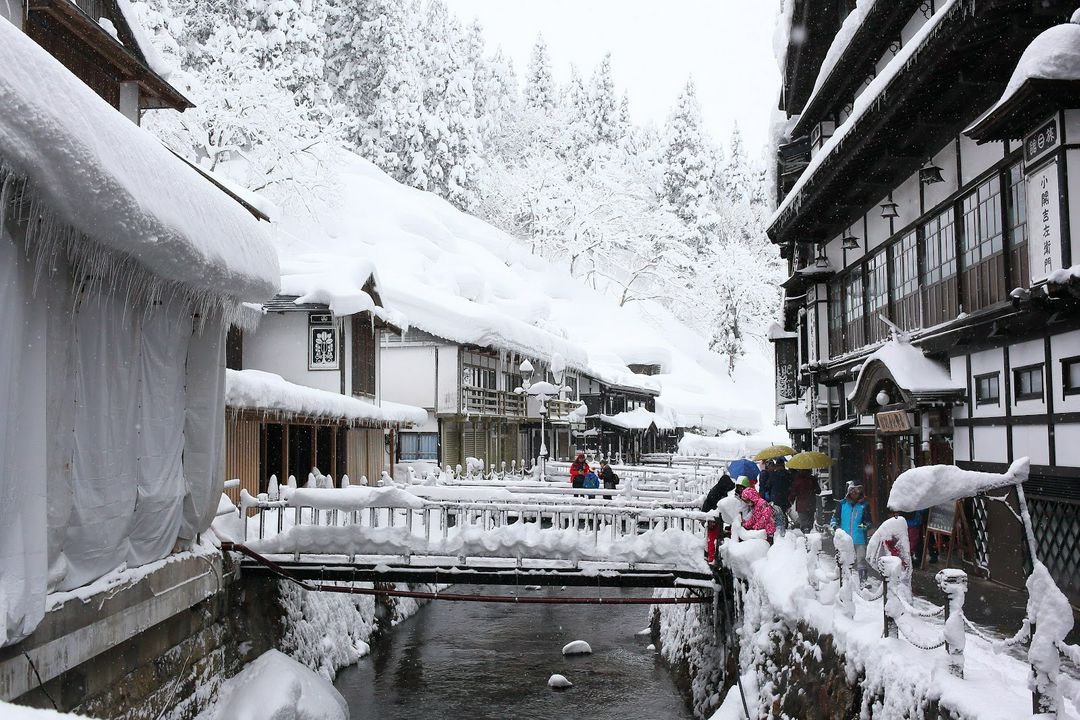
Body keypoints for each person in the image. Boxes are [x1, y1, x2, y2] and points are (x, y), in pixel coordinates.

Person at [831, 484, 872, 584]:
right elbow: (834, 519)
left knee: (861, 560)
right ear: (848, 492)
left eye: (857, 491)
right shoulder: (842, 504)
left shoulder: (864, 505)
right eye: (852, 490)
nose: (854, 493)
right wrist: (836, 527)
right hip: (844, 539)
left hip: (859, 538)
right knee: (844, 561)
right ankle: (845, 582)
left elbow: (869, 523)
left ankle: (863, 582)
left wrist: (860, 527)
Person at [702, 473, 736, 564]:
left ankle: (713, 556)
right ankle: (711, 558)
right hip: (711, 516)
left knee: (715, 536)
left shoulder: (721, 490)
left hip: (716, 516)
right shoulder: (716, 493)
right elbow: (717, 507)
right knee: (712, 537)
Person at [769, 458, 793, 536]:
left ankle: (780, 527)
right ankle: (784, 525)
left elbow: (768, 485)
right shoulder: (788, 474)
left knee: (777, 512)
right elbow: (791, 484)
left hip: (776, 496)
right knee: (783, 510)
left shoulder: (773, 475)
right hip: (785, 496)